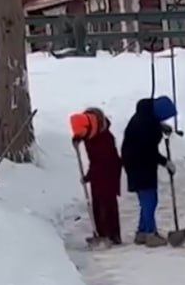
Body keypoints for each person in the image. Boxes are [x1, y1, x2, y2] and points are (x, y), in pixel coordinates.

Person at [120, 95, 177, 247]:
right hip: (140, 163)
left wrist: (160, 126)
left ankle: (142, 232)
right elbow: (149, 150)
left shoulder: (145, 115)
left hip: (137, 162)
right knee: (149, 199)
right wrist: (166, 162)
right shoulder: (146, 125)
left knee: (147, 199)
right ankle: (150, 234)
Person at [75, 107, 122, 246]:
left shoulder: (105, 139)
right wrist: (77, 138)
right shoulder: (91, 132)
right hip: (98, 172)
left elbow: (101, 163)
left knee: (107, 203)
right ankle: (101, 233)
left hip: (109, 172)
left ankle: (112, 235)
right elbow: (82, 133)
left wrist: (88, 177)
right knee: (97, 203)